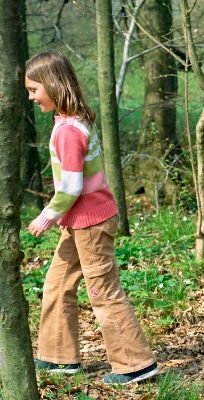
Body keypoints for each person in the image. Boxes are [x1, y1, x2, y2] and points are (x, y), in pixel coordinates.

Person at [24, 50, 158, 385]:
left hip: (91, 223)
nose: (31, 97)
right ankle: (59, 357)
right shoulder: (68, 120)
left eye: (34, 90)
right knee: (57, 283)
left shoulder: (69, 130)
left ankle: (135, 364)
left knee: (103, 291)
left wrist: (46, 217)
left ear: (53, 86)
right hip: (79, 222)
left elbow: (71, 185)